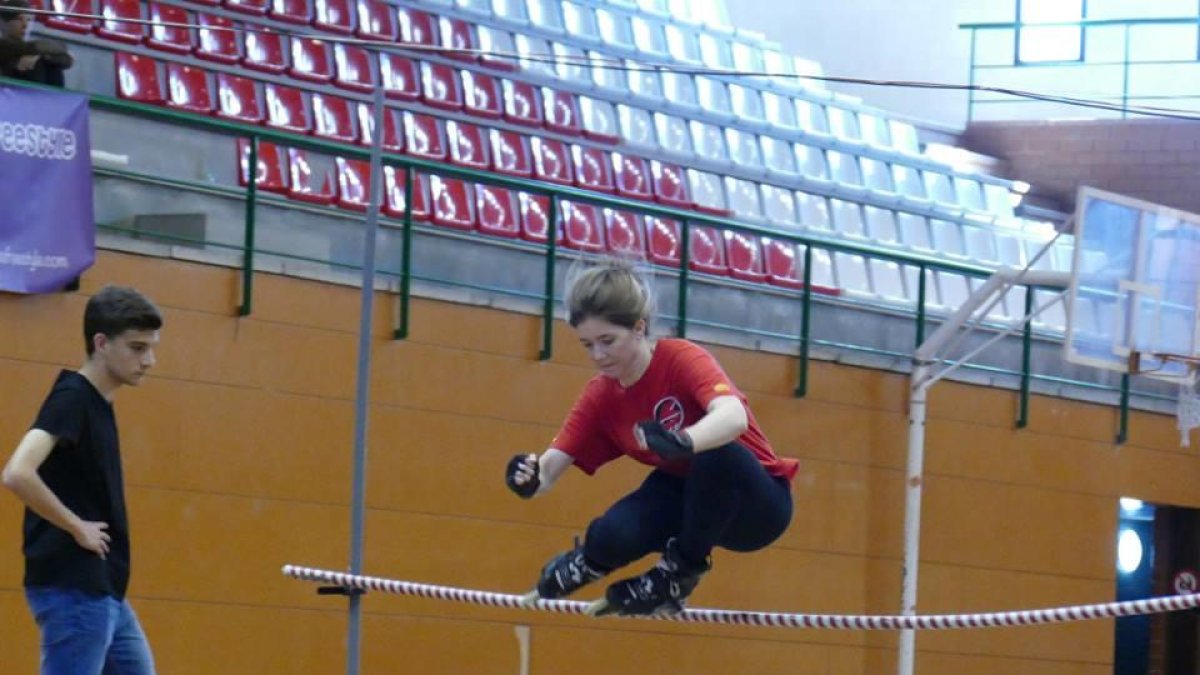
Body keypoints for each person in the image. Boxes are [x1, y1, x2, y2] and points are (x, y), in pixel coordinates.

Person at [505, 261, 798, 616]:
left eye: (607, 341)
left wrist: (683, 441)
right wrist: (530, 476)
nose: (598, 356)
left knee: (717, 456)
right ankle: (590, 562)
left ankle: (680, 572)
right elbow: (550, 469)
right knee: (614, 533)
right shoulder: (601, 395)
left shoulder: (680, 358)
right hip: (688, 497)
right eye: (587, 345)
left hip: (755, 506)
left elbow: (733, 417)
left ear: (639, 328)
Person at [2, 285, 163, 675]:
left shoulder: (97, 403)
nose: (150, 360)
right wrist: (76, 527)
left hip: (103, 588)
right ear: (102, 343)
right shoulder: (73, 398)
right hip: (74, 589)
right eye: (137, 348)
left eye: (151, 347)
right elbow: (17, 472)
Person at [0, 0, 73, 87]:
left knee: (51, 66)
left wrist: (40, 56)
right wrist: (39, 54)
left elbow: (68, 60)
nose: (25, 25)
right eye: (19, 19)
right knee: (37, 65)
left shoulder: (32, 52)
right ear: (2, 22)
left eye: (29, 20)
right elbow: (35, 47)